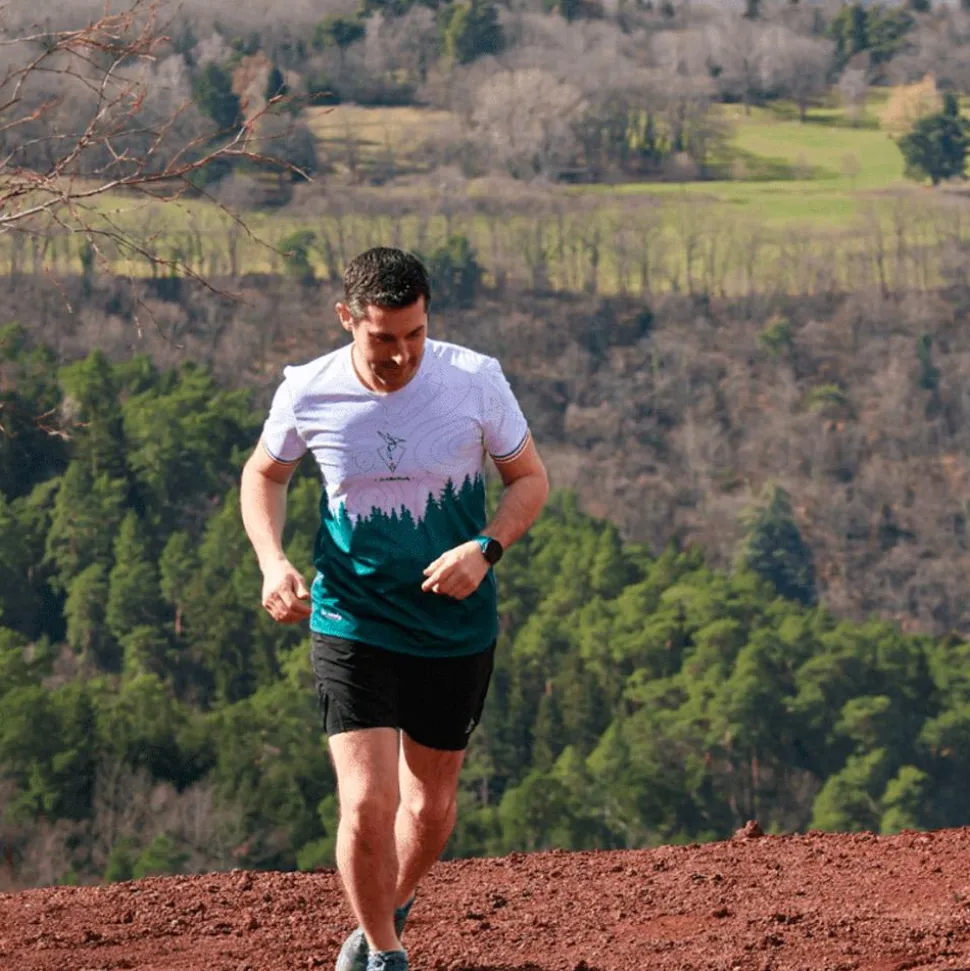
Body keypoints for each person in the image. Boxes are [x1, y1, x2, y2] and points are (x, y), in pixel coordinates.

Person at [239, 247, 549, 971]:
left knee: (430, 806)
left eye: (414, 334)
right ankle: (383, 952)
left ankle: (393, 899)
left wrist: (487, 546)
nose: (401, 355)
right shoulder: (308, 389)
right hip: (353, 616)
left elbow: (529, 478)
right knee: (367, 804)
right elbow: (265, 473)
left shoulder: (474, 379)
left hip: (455, 623)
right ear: (348, 318)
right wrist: (272, 560)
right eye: (383, 338)